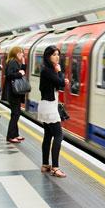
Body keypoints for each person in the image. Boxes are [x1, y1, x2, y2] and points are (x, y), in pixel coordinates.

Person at [39, 45, 69, 178]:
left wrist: (60, 78)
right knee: (59, 136)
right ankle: (55, 168)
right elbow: (61, 84)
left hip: (46, 106)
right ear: (48, 56)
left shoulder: (47, 70)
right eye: (54, 54)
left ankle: (45, 164)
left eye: (58, 54)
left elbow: (57, 85)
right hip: (50, 107)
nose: (57, 57)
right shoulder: (48, 71)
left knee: (48, 136)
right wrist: (60, 72)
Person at [4, 46, 27, 143]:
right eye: (21, 53)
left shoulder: (15, 62)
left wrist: (23, 64)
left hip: (14, 93)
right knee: (15, 114)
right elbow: (9, 75)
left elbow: (19, 72)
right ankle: (10, 136)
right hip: (13, 93)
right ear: (16, 53)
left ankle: (15, 134)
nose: (22, 54)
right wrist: (20, 74)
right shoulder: (12, 62)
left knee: (16, 113)